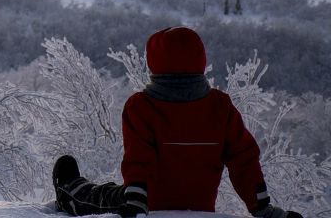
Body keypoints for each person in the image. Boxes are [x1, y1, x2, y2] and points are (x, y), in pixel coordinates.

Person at [52, 27, 303, 218]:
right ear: (200, 60)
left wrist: (137, 201)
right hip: (200, 207)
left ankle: (70, 194)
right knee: (115, 192)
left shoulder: (140, 106)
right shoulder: (220, 107)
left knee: (101, 196)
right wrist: (262, 208)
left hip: (145, 204)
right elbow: (244, 160)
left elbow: (139, 158)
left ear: (154, 62)